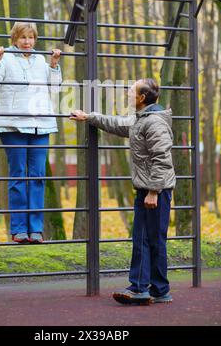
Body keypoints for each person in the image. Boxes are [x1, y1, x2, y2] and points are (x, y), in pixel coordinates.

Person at [70, 78, 175, 304]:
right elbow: (117, 124)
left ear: (141, 98)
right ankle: (159, 289)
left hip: (155, 189)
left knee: (145, 238)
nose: (127, 94)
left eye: (130, 91)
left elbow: (162, 159)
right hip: (150, 188)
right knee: (152, 239)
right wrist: (89, 117)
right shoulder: (142, 120)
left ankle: (139, 288)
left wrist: (153, 191)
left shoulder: (154, 123)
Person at [0, 22, 62, 244]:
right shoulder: (5, 57)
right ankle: (19, 229)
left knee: (37, 176)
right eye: (23, 38)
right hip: (13, 125)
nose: (27, 42)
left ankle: (35, 229)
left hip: (41, 125)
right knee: (18, 174)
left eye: (31, 38)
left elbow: (55, 88)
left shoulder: (40, 60)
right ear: (15, 39)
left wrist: (54, 66)